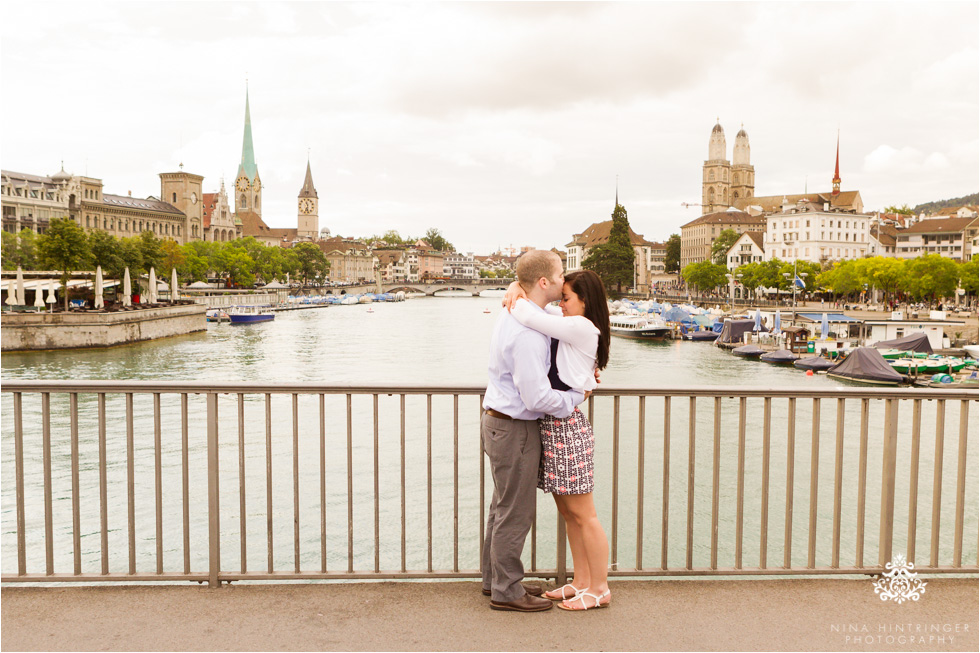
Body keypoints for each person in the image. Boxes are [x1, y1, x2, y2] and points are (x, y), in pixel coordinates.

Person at [481, 250, 588, 612]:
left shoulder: (518, 311)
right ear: (544, 282)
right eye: (559, 275)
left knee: (502, 506)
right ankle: (507, 591)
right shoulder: (528, 333)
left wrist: (516, 285)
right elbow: (537, 396)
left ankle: (495, 580)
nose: (563, 280)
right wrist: (575, 398)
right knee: (515, 511)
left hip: (498, 421)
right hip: (515, 427)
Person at [502, 269, 612, 611]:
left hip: (567, 428)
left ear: (585, 301)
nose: (561, 305)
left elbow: (528, 313)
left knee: (584, 514)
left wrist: (515, 292)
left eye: (566, 299)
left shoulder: (580, 326)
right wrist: (515, 286)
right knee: (569, 512)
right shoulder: (573, 320)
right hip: (555, 427)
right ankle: (580, 582)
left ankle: (599, 588)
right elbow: (540, 311)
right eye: (561, 298)